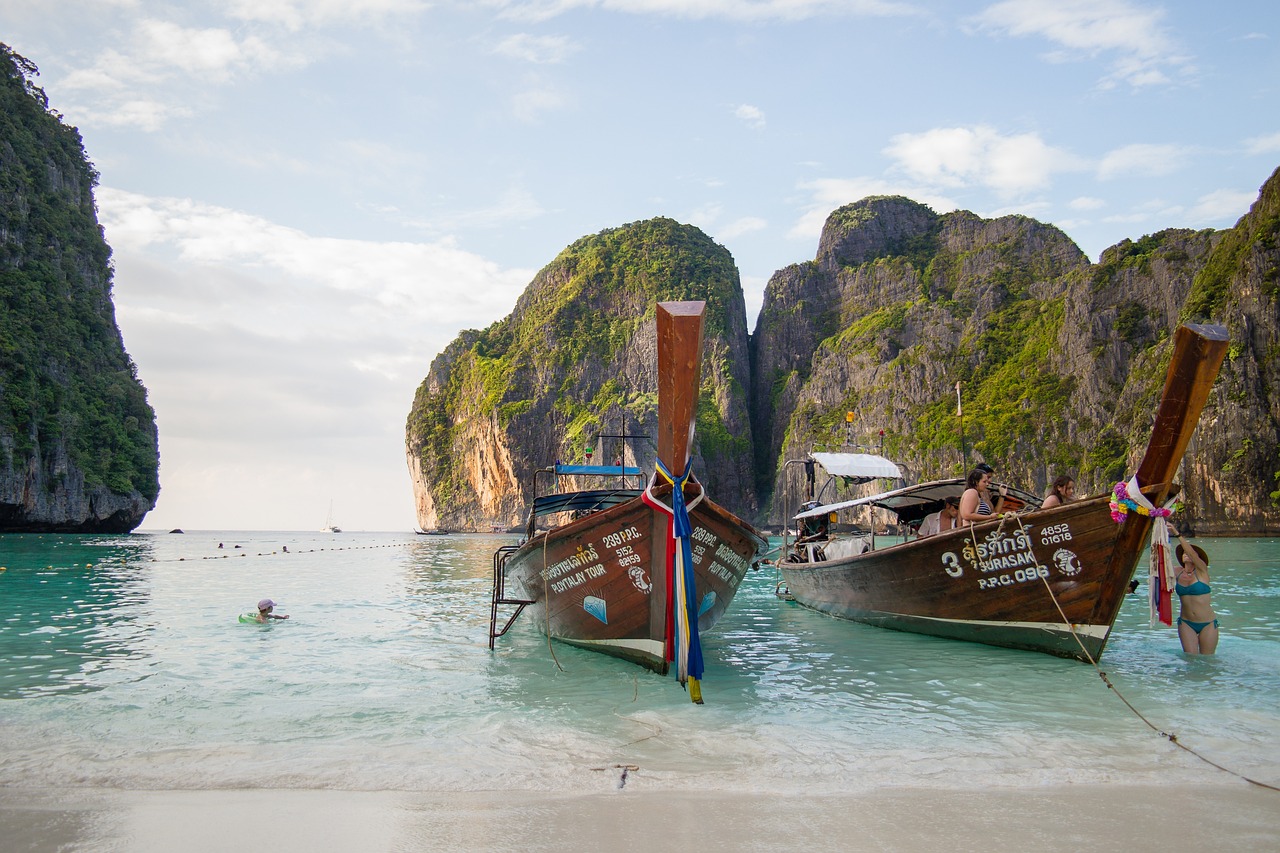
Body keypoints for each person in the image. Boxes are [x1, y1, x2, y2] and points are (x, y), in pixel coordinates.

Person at [1167, 525, 1217, 654]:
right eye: (1183, 553)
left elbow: (1192, 554)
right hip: (1186, 623)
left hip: (1207, 623)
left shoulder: (1201, 571)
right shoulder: (1177, 572)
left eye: (1188, 553)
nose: (1186, 554)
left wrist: (1176, 533)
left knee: (1207, 660)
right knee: (1190, 659)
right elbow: (1159, 565)